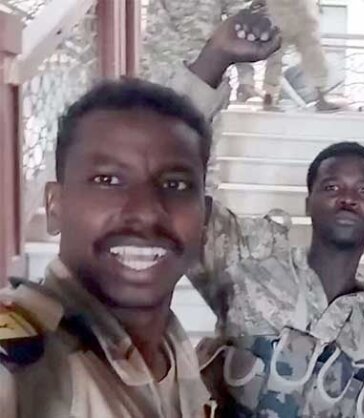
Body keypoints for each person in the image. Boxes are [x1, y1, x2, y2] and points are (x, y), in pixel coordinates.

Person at [0, 79, 215, 417]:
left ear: (206, 217)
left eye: (175, 184)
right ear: (55, 206)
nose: (146, 212)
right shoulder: (22, 357)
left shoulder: (173, 348)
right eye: (108, 180)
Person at [194, 142, 364, 416]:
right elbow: (179, 207)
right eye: (331, 187)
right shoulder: (248, 263)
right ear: (307, 204)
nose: (347, 199)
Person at [143, 0, 340, 112]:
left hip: (206, 74)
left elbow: (240, 21)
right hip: (161, 71)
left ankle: (318, 95)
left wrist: (246, 80)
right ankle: (270, 97)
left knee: (311, 54)